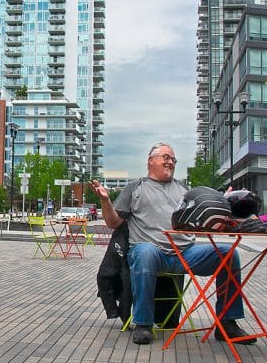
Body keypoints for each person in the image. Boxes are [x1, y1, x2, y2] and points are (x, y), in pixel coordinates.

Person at [89, 143, 258, 346]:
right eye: (165, 157)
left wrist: (223, 204)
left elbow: (202, 220)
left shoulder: (185, 190)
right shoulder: (134, 188)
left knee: (228, 254)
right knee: (144, 253)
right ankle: (143, 324)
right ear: (151, 160)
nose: (170, 161)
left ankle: (227, 324)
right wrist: (106, 201)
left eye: (173, 159)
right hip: (150, 252)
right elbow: (113, 223)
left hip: (187, 253)